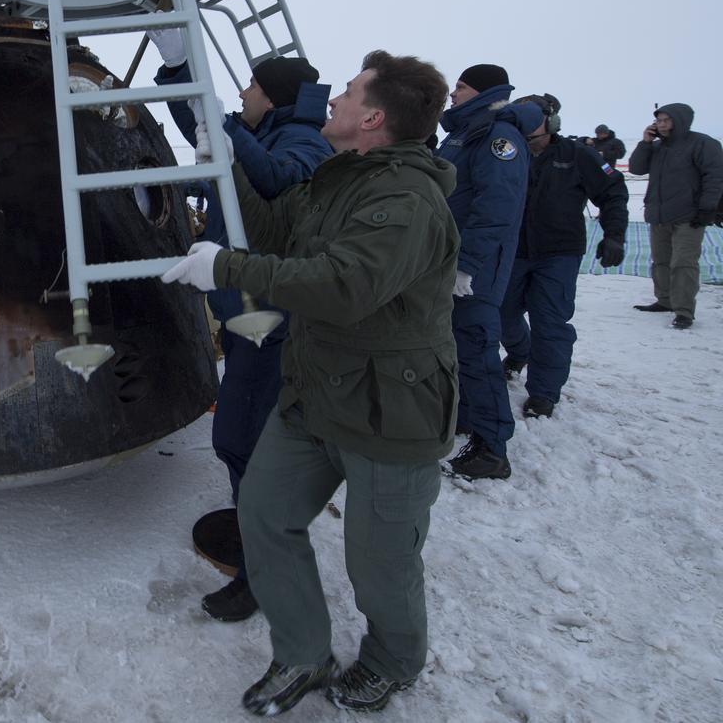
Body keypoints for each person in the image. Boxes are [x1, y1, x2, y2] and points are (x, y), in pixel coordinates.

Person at [162, 51, 459, 715]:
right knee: (264, 515)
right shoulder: (340, 177)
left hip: (392, 410)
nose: (333, 100)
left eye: (349, 93)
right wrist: (226, 161)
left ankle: (393, 661)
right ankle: (303, 652)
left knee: (380, 566)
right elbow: (275, 233)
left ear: (374, 116)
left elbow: (343, 286)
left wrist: (229, 266)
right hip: (316, 394)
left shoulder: (405, 198)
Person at [148, 29, 334, 622]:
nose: (242, 93)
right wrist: (179, 71)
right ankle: (258, 532)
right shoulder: (270, 132)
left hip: (269, 328)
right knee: (245, 443)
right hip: (250, 318)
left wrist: (224, 135)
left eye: (252, 85)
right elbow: (206, 129)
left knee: (244, 444)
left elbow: (275, 179)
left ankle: (261, 572)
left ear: (274, 98)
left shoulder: (303, 143)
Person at [436, 64, 542, 481]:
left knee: (477, 353)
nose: (453, 95)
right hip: (448, 263)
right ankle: (464, 420)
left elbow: (496, 207)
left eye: (460, 87)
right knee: (458, 351)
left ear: (483, 91)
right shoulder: (466, 132)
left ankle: (492, 449)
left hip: (474, 273)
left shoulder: (498, 136)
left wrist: (467, 266)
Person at [500, 95, 628, 418]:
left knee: (550, 322)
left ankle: (544, 392)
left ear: (551, 121)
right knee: (502, 314)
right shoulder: (504, 150)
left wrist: (614, 234)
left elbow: (613, 191)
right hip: (512, 251)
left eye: (534, 117)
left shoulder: (577, 155)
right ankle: (519, 352)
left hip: (558, 254)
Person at [627, 104, 723, 329]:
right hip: (659, 214)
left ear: (680, 121)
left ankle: (684, 311)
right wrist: (645, 143)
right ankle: (665, 300)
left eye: (666, 120)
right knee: (661, 261)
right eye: (659, 120)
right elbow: (637, 168)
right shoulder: (657, 147)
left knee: (683, 263)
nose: (661, 124)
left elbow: (715, 178)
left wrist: (707, 209)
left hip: (689, 215)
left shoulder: (703, 144)